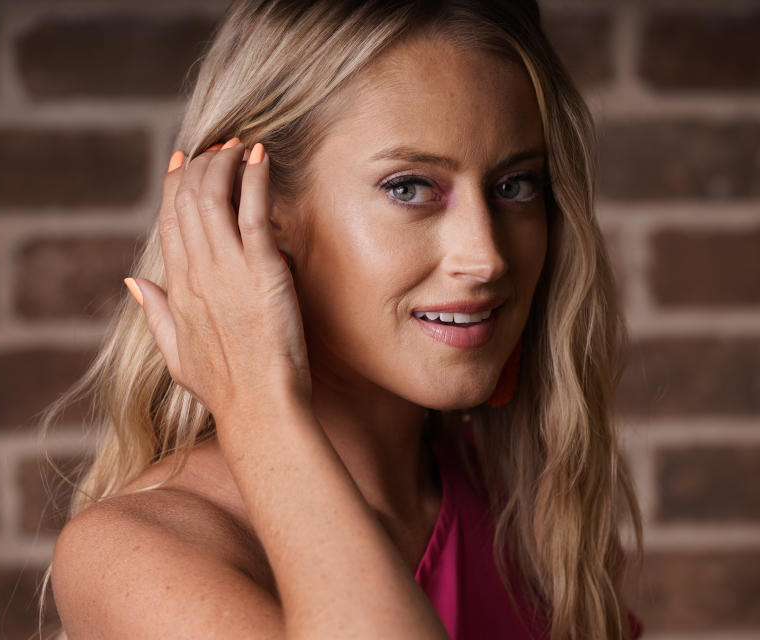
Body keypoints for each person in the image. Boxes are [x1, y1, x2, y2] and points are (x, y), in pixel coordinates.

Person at [36, 0, 645, 638]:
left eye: (516, 186)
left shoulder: (523, 502)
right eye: (410, 187)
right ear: (254, 207)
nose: (486, 258)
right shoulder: (136, 556)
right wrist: (257, 406)